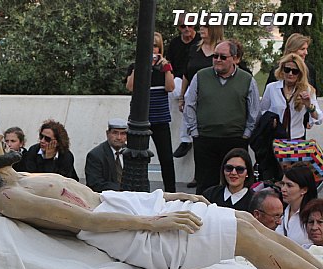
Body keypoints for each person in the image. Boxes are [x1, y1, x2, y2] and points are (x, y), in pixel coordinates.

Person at [0, 121, 323, 269]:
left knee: (242, 219)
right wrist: (155, 221)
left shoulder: (21, 175)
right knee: (243, 236)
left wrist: (167, 198)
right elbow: (86, 218)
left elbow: (100, 200)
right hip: (135, 235)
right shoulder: (10, 197)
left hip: (131, 210)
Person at [184, 40, 260, 195]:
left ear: (235, 59)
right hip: (205, 139)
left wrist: (246, 134)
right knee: (205, 185)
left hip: (235, 139)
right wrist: (194, 132)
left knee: (236, 184)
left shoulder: (247, 80)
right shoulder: (200, 76)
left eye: (223, 57)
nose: (218, 59)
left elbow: (254, 111)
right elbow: (189, 104)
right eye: (215, 56)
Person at [126, 32, 176, 192]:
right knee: (135, 155)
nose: (152, 49)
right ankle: (137, 189)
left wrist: (166, 68)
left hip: (160, 118)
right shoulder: (135, 66)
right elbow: (130, 87)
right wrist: (138, 66)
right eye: (149, 45)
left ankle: (171, 191)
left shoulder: (165, 66)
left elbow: (170, 87)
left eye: (155, 46)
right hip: (139, 120)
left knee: (166, 158)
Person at [174, 24, 224, 160]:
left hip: (213, 93)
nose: (201, 30)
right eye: (201, 27)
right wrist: (181, 97)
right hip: (193, 90)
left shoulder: (221, 51)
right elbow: (186, 73)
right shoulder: (195, 48)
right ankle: (186, 140)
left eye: (206, 27)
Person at [259, 54, 321, 140]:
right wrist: (270, 120)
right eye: (287, 70)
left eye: (295, 71)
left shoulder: (307, 90)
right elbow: (262, 110)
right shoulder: (272, 88)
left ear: (300, 73)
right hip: (275, 139)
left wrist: (308, 106)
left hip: (297, 140)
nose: (290, 74)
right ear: (282, 70)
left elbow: (318, 119)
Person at [276, 162, 318, 246]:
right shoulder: (282, 213)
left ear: (304, 190)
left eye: (289, 185)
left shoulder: (314, 216)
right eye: (282, 184)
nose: (283, 189)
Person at [84, 118, 127, 192]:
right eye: (115, 133)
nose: (119, 137)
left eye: (123, 133)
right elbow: (95, 184)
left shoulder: (130, 152)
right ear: (107, 134)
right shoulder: (95, 155)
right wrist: (123, 188)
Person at [166, 15, 200, 80]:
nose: (187, 29)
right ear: (179, 27)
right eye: (183, 26)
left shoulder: (201, 40)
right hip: (178, 78)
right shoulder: (174, 43)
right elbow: (169, 62)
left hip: (196, 78)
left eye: (189, 25)